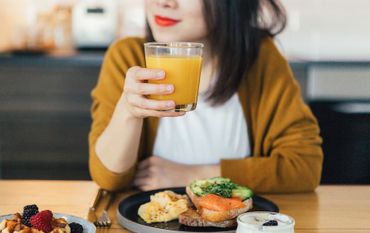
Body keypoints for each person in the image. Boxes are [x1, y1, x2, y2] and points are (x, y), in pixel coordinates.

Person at [89, 0, 323, 193]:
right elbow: (109, 179)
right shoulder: (127, 56)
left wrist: (195, 175)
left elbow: (304, 166)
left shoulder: (262, 58)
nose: (163, 3)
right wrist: (128, 112)